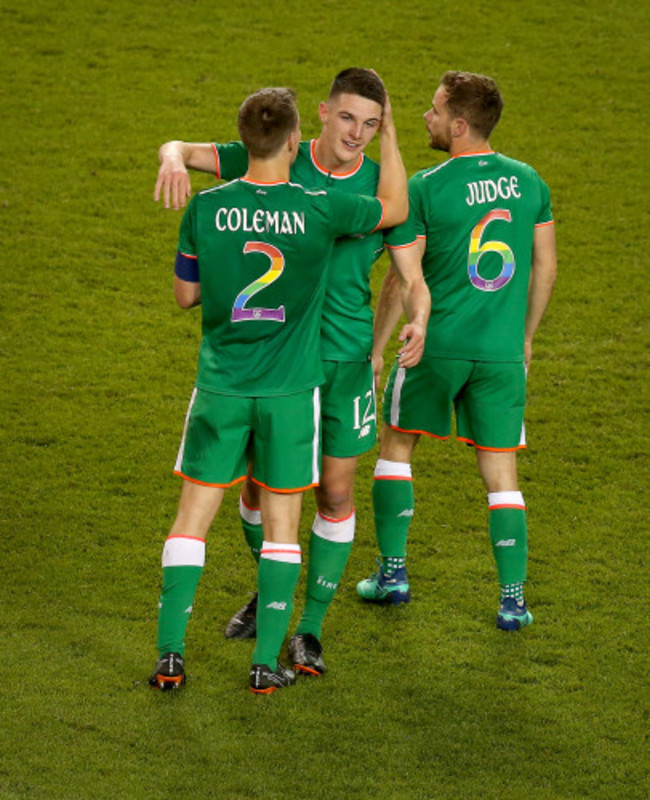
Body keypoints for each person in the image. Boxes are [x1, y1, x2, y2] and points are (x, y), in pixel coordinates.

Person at [154, 69, 429, 676]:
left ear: (383, 128)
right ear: (322, 115)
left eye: (373, 124)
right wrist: (171, 155)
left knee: (334, 492)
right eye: (350, 119)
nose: (358, 133)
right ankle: (268, 594)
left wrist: (416, 320)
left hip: (343, 360)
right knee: (259, 493)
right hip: (284, 368)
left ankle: (307, 629)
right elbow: (189, 150)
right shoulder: (288, 165)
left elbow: (410, 274)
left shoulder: (383, 181)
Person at [357, 71, 557, 630]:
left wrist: (376, 348)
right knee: (502, 476)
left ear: (460, 125)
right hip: (499, 355)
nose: (428, 117)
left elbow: (401, 279)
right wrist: (525, 337)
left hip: (434, 347)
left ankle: (393, 574)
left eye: (436, 110)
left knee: (397, 448)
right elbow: (546, 265)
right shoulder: (529, 182)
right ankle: (513, 601)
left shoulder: (426, 186)